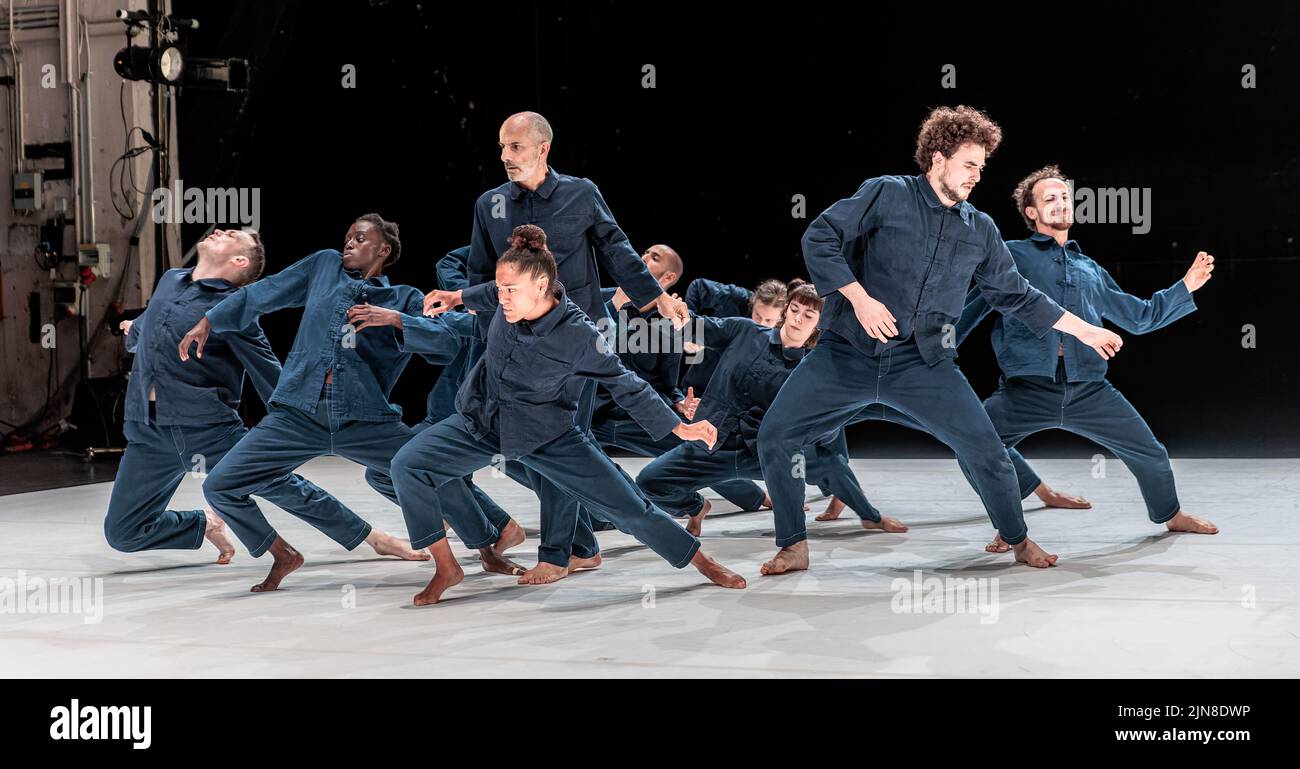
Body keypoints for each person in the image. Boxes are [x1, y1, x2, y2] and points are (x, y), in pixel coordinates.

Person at [756, 105, 1125, 575]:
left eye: (981, 167)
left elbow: (1016, 295)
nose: (976, 176)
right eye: (969, 164)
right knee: (776, 434)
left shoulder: (981, 229)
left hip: (922, 363)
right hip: (845, 353)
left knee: (987, 451)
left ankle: (1017, 538)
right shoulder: (887, 193)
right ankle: (793, 544)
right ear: (937, 159)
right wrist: (859, 298)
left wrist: (1084, 328)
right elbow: (820, 236)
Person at [391, 225, 746, 604]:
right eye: (500, 290)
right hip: (481, 419)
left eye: (511, 291)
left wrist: (680, 427)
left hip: (547, 434)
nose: (503, 299)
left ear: (542, 286)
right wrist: (457, 296)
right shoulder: (505, 297)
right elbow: (487, 294)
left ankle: (701, 561)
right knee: (407, 465)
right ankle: (447, 567)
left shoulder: (579, 334)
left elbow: (626, 384)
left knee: (628, 507)